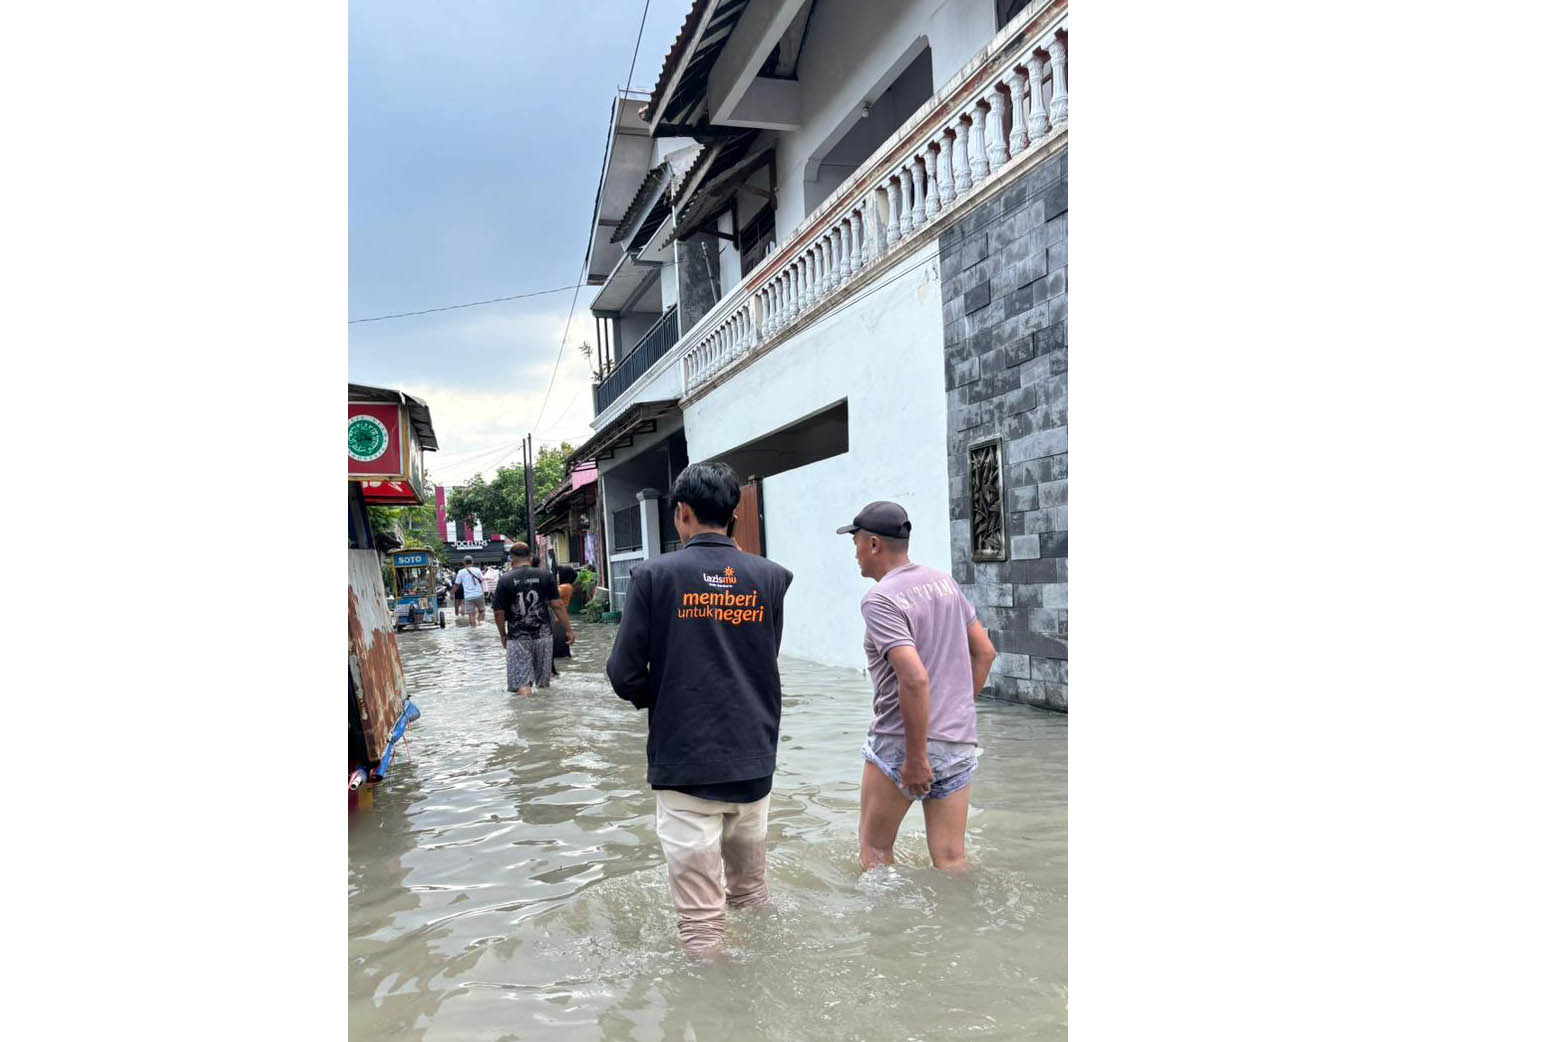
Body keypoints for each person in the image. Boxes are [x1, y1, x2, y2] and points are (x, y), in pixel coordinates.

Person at [607, 462, 793, 955]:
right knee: (752, 895)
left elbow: (623, 674)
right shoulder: (771, 577)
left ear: (681, 513)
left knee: (701, 924)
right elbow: (760, 658)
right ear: (733, 514)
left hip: (686, 766)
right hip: (755, 764)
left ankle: (714, 1017)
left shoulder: (652, 576)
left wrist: (665, 697)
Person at [838, 500, 997, 873]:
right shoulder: (944, 582)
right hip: (957, 742)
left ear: (874, 544)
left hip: (901, 743)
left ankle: (886, 932)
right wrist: (954, 711)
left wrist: (915, 758)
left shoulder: (879, 599)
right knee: (951, 859)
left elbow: (914, 677)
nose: (855, 552)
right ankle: (961, 927)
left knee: (875, 854)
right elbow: (985, 652)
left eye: (856, 542)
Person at [493, 542, 573, 695]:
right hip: (544, 636)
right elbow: (557, 605)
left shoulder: (505, 580)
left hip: (518, 638)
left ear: (512, 558)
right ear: (529, 556)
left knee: (522, 683)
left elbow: (499, 613)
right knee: (544, 683)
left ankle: (527, 715)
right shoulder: (545, 576)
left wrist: (502, 634)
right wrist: (568, 630)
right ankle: (544, 713)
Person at [551, 565, 577, 675]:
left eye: (558, 574)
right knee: (559, 655)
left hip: (558, 623)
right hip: (558, 622)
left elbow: (551, 594)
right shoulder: (565, 586)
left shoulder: (565, 587)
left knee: (559, 655)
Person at [455, 556, 486, 626]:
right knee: (482, 610)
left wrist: (452, 593)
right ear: (472, 562)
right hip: (479, 594)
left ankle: (473, 629)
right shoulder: (478, 570)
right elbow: (482, 580)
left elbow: (456, 584)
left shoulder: (461, 572)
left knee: (471, 615)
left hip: (468, 596)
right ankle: (480, 624)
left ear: (463, 563)